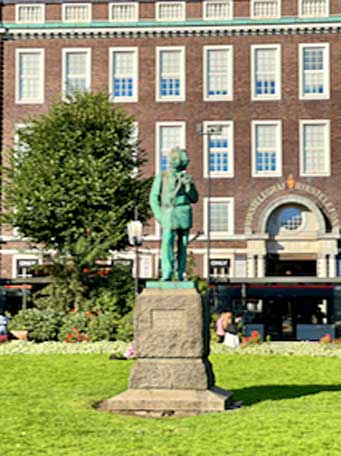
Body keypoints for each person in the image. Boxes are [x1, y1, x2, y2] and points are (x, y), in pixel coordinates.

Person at [149, 148, 198, 281]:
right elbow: (153, 197)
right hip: (168, 212)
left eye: (179, 159)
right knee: (167, 242)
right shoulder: (162, 176)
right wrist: (158, 214)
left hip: (183, 212)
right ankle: (167, 272)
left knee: (183, 244)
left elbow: (194, 198)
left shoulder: (187, 178)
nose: (175, 162)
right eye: (174, 159)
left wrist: (189, 187)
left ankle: (181, 272)